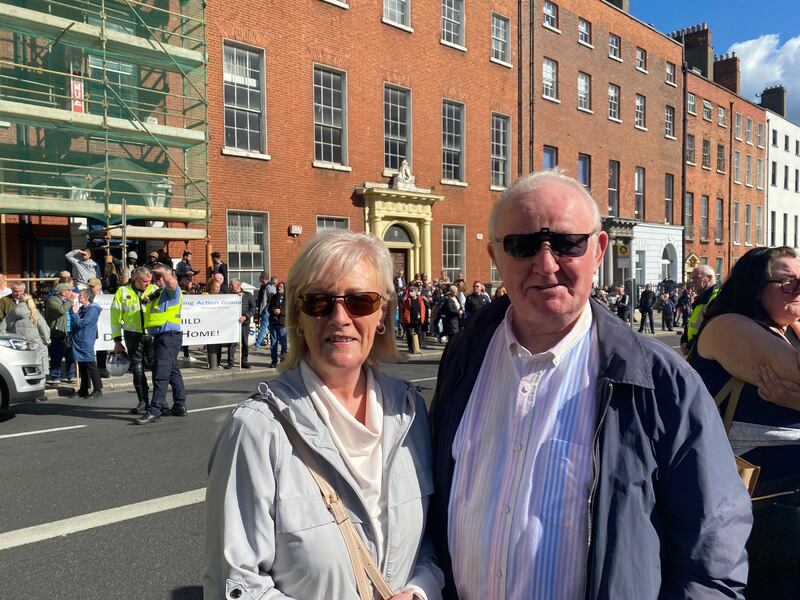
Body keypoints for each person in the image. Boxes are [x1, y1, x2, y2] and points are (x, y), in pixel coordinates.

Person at [429, 170, 751, 599]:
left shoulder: (662, 380)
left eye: (566, 243)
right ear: (495, 255)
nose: (545, 264)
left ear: (598, 250)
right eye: (522, 246)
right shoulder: (463, 358)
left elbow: (712, 552)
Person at [204, 229, 443, 600]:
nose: (340, 317)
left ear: (382, 315)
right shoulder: (256, 429)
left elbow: (430, 537)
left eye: (360, 301)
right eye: (319, 301)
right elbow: (236, 584)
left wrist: (420, 589)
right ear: (299, 315)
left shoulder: (409, 412)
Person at [688, 246, 800, 598]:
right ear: (755, 286)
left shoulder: (788, 330)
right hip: (761, 502)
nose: (799, 290)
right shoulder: (729, 327)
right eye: (789, 283)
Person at [135, 266, 187, 424]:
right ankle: (180, 405)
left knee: (161, 375)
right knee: (172, 372)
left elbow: (172, 283)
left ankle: (154, 410)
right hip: (163, 337)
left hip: (168, 337)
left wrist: (163, 271)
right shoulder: (158, 293)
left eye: (160, 276)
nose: (157, 279)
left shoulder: (172, 291)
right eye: (156, 276)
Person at [110, 266, 160, 414]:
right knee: (137, 368)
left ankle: (160, 400)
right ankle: (143, 401)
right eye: (144, 281)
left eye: (149, 281)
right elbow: (115, 315)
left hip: (151, 333)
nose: (147, 284)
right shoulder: (123, 291)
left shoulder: (154, 289)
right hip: (132, 334)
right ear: (135, 280)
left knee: (156, 366)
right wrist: (117, 339)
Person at [0, 293, 51, 382]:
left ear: (19, 301)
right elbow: (45, 330)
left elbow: (2, 328)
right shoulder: (35, 313)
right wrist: (46, 341)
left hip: (18, 346)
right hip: (36, 346)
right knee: (39, 371)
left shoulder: (12, 312)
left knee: (20, 371)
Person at [69, 289, 103, 399]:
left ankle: (98, 389)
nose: (79, 297)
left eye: (81, 296)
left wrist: (74, 314)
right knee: (82, 364)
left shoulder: (93, 310)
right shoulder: (83, 308)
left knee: (90, 363)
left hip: (86, 339)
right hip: (79, 338)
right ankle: (83, 389)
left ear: (87, 298)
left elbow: (82, 324)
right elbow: (75, 322)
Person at [681, 264, 718, 353]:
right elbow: (691, 322)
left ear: (709, 278)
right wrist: (684, 340)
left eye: (695, 278)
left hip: (705, 351)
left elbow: (708, 328)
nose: (692, 281)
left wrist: (690, 345)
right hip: (696, 349)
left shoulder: (717, 297)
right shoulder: (701, 297)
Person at [45, 283, 77, 384]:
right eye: (69, 290)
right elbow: (60, 310)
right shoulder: (52, 300)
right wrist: (70, 301)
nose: (71, 292)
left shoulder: (68, 301)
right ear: (63, 292)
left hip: (69, 331)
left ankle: (71, 375)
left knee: (70, 355)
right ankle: (55, 376)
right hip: (58, 332)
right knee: (57, 355)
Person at [226, 278, 255, 369]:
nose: (230, 287)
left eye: (232, 285)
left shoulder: (248, 295)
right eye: (230, 285)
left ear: (238, 285)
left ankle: (244, 361)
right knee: (232, 344)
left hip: (244, 323)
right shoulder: (229, 295)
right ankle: (230, 362)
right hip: (233, 324)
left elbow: (253, 308)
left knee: (245, 343)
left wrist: (246, 316)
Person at [203, 277, 225, 369]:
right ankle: (210, 361)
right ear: (211, 287)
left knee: (218, 343)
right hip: (208, 322)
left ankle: (218, 362)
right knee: (210, 343)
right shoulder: (205, 295)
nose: (217, 289)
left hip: (218, 322)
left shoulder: (222, 295)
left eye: (218, 287)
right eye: (215, 287)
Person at [255, 273, 277, 350]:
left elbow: (272, 299)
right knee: (269, 328)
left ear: (264, 279)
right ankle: (275, 343)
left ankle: (257, 345)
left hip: (266, 311)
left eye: (261, 279)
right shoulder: (265, 287)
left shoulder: (269, 287)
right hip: (266, 310)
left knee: (263, 328)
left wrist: (265, 309)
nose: (260, 281)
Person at [401, 284, 426, 354]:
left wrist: (422, 318)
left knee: (418, 333)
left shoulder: (420, 299)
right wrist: (404, 318)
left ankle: (418, 348)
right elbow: (403, 309)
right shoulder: (407, 300)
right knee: (409, 334)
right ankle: (410, 348)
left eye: (413, 291)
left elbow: (423, 309)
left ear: (416, 292)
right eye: (410, 291)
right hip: (409, 320)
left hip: (418, 320)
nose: (411, 292)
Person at [267, 281, 286, 368]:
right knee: (273, 344)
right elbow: (269, 308)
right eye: (279, 287)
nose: (279, 288)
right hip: (274, 323)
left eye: (281, 287)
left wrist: (281, 311)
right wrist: (273, 310)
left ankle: (284, 359)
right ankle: (274, 361)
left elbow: (290, 310)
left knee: (283, 343)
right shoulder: (274, 297)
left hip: (283, 324)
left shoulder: (288, 298)